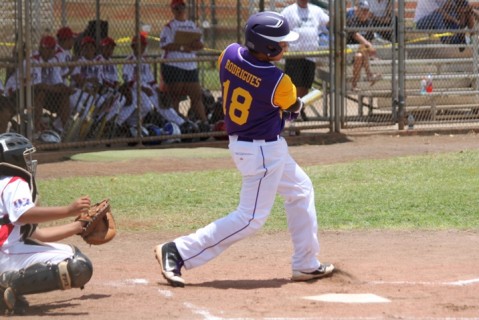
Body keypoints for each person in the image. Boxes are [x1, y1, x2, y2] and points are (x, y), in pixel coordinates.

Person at [154, 11, 334, 287]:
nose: (285, 46)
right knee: (250, 219)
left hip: (253, 145)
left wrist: (282, 110)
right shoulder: (279, 81)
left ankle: (306, 263)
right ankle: (178, 250)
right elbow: (290, 108)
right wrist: (293, 108)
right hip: (262, 152)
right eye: (281, 42)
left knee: (301, 190)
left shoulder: (229, 53)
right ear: (267, 46)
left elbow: (252, 91)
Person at [0, 132, 93, 314]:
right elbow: (23, 215)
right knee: (79, 266)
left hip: (7, 251)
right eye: (26, 156)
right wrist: (68, 210)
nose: (30, 161)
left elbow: (37, 235)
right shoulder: (15, 182)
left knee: (72, 253)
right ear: (14, 158)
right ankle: (4, 288)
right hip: (5, 252)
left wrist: (78, 226)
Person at [121, 34, 190, 135]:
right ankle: (132, 123)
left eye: (143, 45)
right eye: (139, 45)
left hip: (147, 88)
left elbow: (151, 80)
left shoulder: (144, 60)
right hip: (135, 88)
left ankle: (181, 123)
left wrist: (158, 89)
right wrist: (143, 88)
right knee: (147, 106)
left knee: (162, 104)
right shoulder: (129, 60)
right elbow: (128, 81)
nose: (142, 48)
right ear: (133, 46)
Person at [159, 0, 209, 129]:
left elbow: (200, 44)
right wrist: (182, 47)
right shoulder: (169, 26)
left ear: (185, 8)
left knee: (196, 96)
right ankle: (176, 125)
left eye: (181, 7)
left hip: (190, 66)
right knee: (175, 96)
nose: (179, 10)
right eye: (176, 8)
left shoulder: (192, 25)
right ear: (172, 10)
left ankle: (205, 124)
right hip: (174, 65)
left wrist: (195, 45)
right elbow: (165, 44)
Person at [281, 0, 330, 100]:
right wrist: (284, 44)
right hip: (295, 55)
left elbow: (328, 23)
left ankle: (300, 110)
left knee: (306, 86)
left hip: (311, 56)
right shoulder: (289, 11)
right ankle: (293, 110)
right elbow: (281, 28)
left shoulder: (316, 10)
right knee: (295, 85)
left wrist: (337, 13)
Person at [31, 35, 75, 134]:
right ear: (40, 48)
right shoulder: (34, 59)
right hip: (26, 92)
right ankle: (36, 131)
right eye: (47, 48)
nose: (50, 51)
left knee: (65, 95)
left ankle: (63, 130)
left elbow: (57, 82)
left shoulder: (53, 60)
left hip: (46, 91)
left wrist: (65, 89)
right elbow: (38, 85)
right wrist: (57, 89)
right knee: (40, 93)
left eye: (52, 49)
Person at [346, 0, 382, 91]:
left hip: (362, 54)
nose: (365, 12)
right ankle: (369, 75)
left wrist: (368, 45)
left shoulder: (369, 22)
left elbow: (370, 39)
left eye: (366, 10)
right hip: (349, 51)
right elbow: (356, 35)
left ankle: (354, 85)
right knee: (361, 50)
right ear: (357, 10)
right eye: (363, 10)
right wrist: (368, 45)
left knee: (359, 55)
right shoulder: (351, 21)